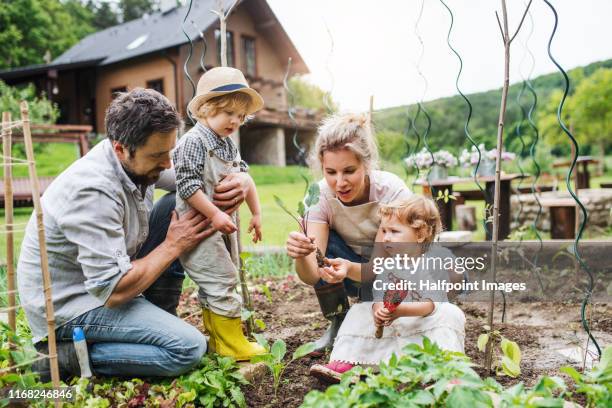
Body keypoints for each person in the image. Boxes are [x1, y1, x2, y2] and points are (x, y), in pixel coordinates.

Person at [17, 88, 251, 380]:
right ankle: (65, 357)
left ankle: (161, 315)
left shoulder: (142, 160)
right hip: (73, 305)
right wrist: (173, 245)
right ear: (121, 149)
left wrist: (242, 177)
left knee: (176, 204)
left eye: (170, 151)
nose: (168, 163)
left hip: (109, 282)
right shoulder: (92, 192)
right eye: (158, 155)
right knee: (187, 348)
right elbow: (112, 290)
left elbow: (191, 179)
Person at [285, 113, 412, 355]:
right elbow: (313, 275)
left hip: (391, 270)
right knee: (322, 246)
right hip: (348, 271)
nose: (340, 182)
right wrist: (301, 255)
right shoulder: (319, 196)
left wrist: (348, 268)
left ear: (367, 164)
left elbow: (378, 267)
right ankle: (339, 321)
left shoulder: (391, 191)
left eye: (349, 171)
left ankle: (394, 315)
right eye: (330, 172)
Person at [309, 196, 466, 383]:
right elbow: (379, 295)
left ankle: (448, 370)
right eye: (383, 230)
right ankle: (346, 361)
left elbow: (431, 304)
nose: (386, 238)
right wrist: (378, 310)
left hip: (422, 322)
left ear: (421, 234)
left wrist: (401, 311)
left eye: (394, 231)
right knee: (359, 311)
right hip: (394, 322)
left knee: (450, 313)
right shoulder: (388, 263)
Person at [172, 67, 265, 361]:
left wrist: (256, 213)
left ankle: (219, 343)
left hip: (220, 228)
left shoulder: (226, 144)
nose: (235, 121)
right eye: (228, 113)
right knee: (220, 278)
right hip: (199, 227)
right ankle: (233, 344)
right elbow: (187, 186)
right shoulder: (194, 141)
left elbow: (244, 177)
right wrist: (213, 214)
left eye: (241, 116)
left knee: (218, 281)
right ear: (205, 108)